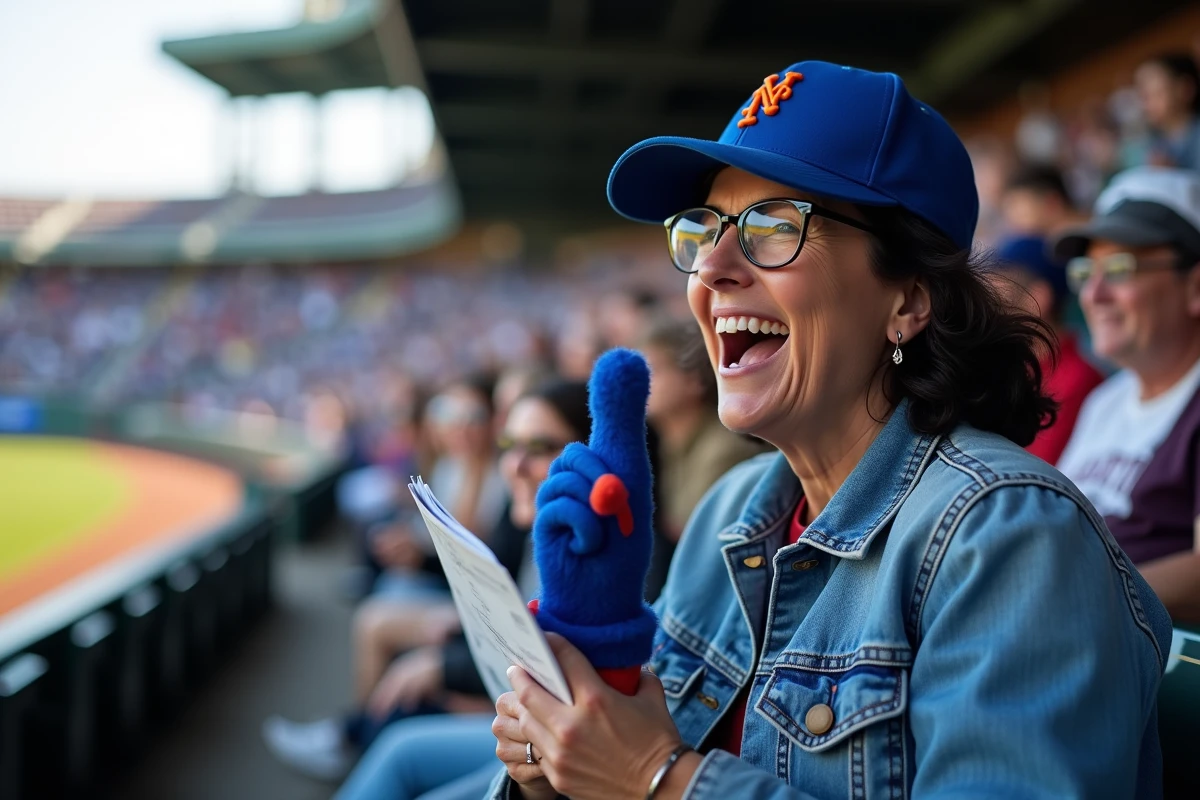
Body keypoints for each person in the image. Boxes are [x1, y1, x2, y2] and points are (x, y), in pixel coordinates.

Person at [490, 60, 1170, 800]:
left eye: (774, 226)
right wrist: (558, 751)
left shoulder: (1011, 534)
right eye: (703, 228)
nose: (712, 268)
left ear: (910, 299)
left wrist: (658, 780)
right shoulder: (732, 508)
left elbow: (648, 772)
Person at [332, 378, 592, 800]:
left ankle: (351, 738)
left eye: (541, 447)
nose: (516, 464)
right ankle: (351, 735)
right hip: (509, 694)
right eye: (511, 445)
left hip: (539, 727)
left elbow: (555, 671)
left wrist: (445, 667)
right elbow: (498, 597)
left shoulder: (593, 552)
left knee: (400, 740)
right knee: (390, 612)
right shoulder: (525, 510)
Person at [1055, 166, 1200, 623]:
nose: (1094, 293)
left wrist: (1058, 602)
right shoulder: (1106, 402)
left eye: (1119, 269)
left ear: (1195, 286)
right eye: (1085, 271)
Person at [640, 318, 770, 592]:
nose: (641, 381)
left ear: (694, 380)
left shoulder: (723, 451)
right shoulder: (668, 442)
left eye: (653, 370)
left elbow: (696, 546)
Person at [987, 236, 1103, 464]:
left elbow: (1032, 469)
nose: (990, 306)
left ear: (1038, 297)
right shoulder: (1006, 371)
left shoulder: (1079, 379)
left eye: (1001, 292)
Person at [1134, 53, 1200, 171]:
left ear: (1185, 89)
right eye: (1143, 97)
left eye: (1157, 94)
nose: (1147, 105)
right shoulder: (1154, 145)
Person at [1001, 164, 1081, 239]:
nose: (1013, 221)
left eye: (1018, 210)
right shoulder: (1053, 245)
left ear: (1052, 203)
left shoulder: (1088, 240)